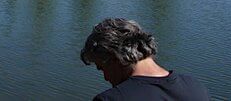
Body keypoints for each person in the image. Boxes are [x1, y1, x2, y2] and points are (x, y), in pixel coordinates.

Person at [80, 18, 209, 101]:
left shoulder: (111, 98)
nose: (106, 78)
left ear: (114, 58)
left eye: (101, 68)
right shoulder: (195, 87)